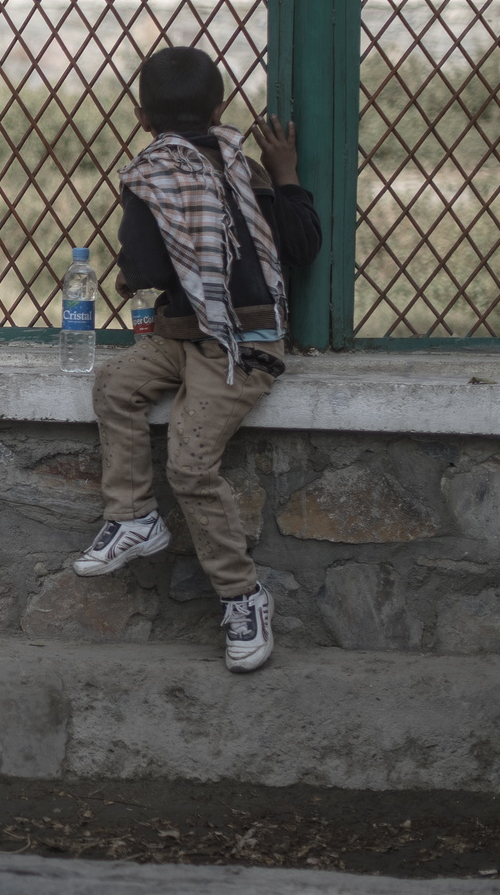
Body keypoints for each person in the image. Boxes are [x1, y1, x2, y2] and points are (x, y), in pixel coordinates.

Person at [71, 46, 323, 674]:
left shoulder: (148, 177)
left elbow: (149, 271)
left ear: (140, 116)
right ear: (218, 110)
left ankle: (243, 596)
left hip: (239, 347)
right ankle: (133, 518)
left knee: (189, 464)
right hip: (187, 336)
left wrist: (137, 271)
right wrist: (286, 172)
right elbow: (301, 246)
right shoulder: (250, 170)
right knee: (117, 385)